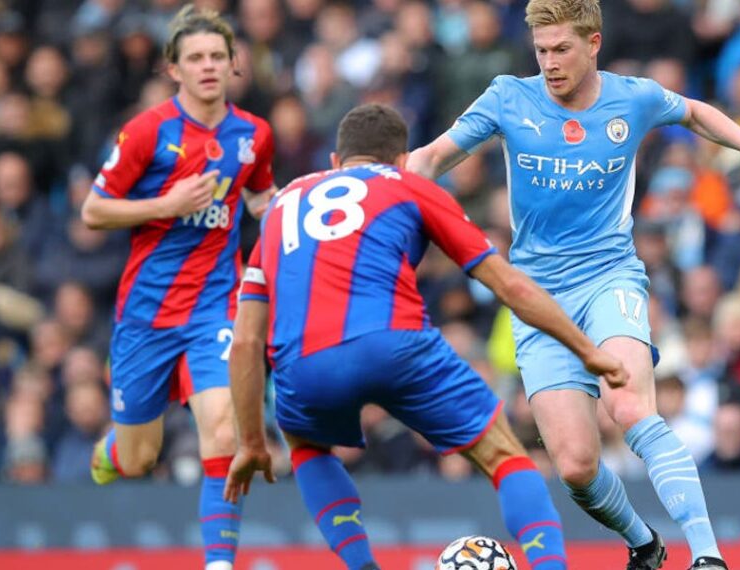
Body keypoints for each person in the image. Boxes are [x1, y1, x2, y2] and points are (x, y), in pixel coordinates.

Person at [406, 1, 740, 569]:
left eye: (562, 50)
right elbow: (429, 159)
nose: (550, 63)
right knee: (576, 464)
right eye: (542, 50)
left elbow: (696, 113)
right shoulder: (508, 97)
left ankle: (708, 556)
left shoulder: (635, 97)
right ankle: (644, 544)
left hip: (609, 275)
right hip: (536, 298)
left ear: (593, 43)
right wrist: (370, 189)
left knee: (630, 407)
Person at [224, 104, 631, 570]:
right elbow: (509, 285)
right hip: (395, 344)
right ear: (400, 160)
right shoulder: (409, 186)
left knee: (307, 445)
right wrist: (586, 350)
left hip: (304, 363)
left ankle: (363, 566)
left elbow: (245, 342)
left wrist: (251, 440)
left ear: (336, 161)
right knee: (505, 457)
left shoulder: (281, 206)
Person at [80, 6, 276, 570]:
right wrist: (166, 206)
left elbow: (258, 196)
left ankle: (218, 562)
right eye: (196, 58)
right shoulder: (147, 131)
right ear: (174, 69)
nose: (209, 66)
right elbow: (94, 211)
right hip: (147, 313)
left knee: (223, 428)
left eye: (218, 55)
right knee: (140, 458)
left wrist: (284, 205)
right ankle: (114, 449)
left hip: (217, 304)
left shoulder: (254, 134)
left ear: (233, 63)